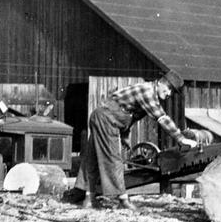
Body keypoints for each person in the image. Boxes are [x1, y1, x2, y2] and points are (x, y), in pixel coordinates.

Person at [76, 70, 198, 210]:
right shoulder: (147, 91)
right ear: (161, 83)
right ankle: (123, 200)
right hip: (106, 119)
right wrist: (181, 139)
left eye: (172, 92)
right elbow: (162, 118)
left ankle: (88, 199)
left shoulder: (150, 94)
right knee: (113, 158)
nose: (169, 93)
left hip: (103, 117)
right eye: (169, 89)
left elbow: (130, 116)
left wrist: (125, 136)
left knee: (92, 159)